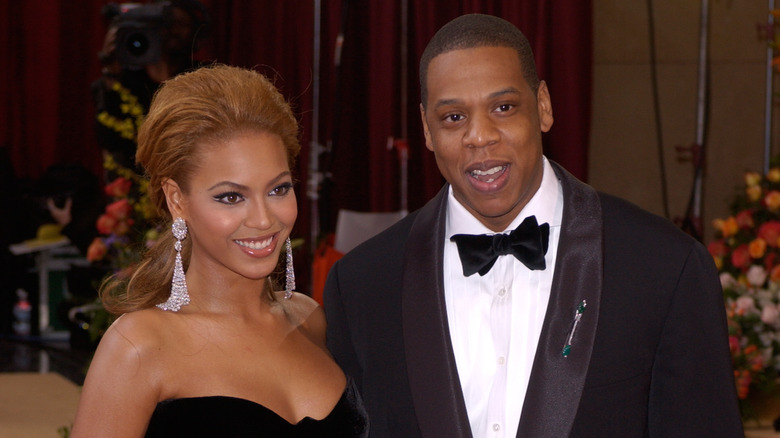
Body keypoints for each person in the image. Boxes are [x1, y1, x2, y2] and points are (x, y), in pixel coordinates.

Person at [323, 13, 743, 438]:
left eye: (503, 108)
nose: (479, 136)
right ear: (427, 129)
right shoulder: (361, 285)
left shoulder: (666, 268)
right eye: (453, 117)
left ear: (542, 106)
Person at [71, 65, 368, 437]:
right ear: (177, 200)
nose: (263, 219)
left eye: (278, 189)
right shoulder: (139, 346)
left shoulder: (311, 320)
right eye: (231, 197)